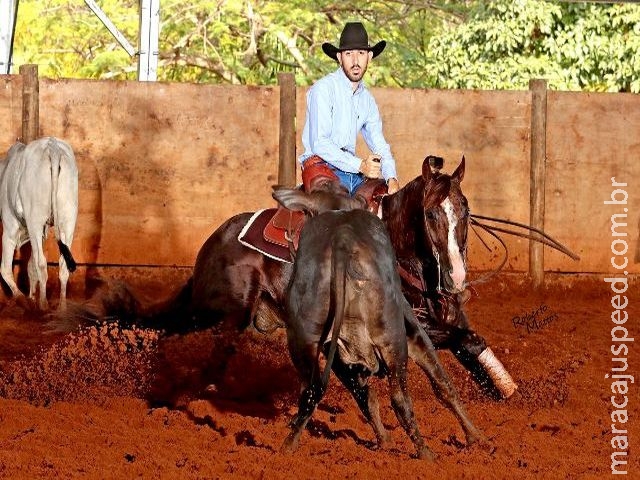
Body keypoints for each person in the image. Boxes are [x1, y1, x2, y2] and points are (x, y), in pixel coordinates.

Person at [299, 22, 400, 196]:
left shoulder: (367, 100)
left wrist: (391, 177)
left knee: (387, 210)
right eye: (348, 54)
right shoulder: (323, 89)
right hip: (320, 168)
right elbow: (319, 143)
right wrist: (361, 165)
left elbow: (379, 144)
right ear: (339, 58)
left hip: (353, 172)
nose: (355, 61)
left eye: (360, 53)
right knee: (340, 218)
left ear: (369, 57)